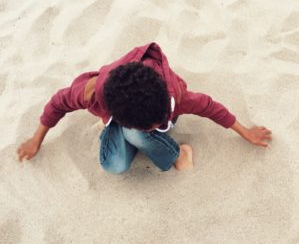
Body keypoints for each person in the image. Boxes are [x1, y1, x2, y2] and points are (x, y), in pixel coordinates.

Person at [16, 42, 272, 173]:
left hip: (148, 112)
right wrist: (36, 140)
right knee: (113, 166)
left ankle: (179, 153)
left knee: (139, 134)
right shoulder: (90, 92)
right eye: (154, 124)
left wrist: (245, 131)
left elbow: (208, 106)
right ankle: (121, 129)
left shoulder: (173, 96)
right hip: (120, 115)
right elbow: (57, 104)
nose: (157, 126)